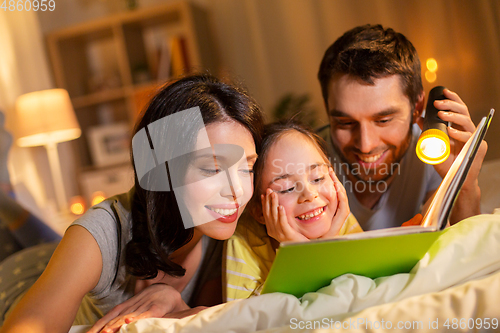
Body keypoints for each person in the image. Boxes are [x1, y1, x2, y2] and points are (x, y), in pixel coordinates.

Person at [0, 73, 264, 333]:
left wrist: (177, 302)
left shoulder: (232, 233)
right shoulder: (100, 234)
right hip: (15, 282)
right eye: (212, 169)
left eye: (247, 168)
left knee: (45, 241)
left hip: (57, 261)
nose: (237, 191)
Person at [316, 24, 487, 231]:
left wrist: (465, 184)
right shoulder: (305, 161)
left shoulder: (436, 150)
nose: (366, 145)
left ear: (417, 107)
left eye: (383, 120)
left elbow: (466, 251)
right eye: (345, 123)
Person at [224, 121, 362, 301]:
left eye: (318, 177)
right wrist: (297, 253)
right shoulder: (243, 239)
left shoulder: (339, 218)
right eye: (287, 188)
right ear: (259, 211)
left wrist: (326, 245)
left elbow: (367, 287)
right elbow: (241, 318)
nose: (309, 194)